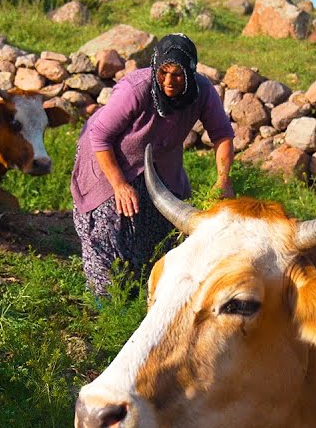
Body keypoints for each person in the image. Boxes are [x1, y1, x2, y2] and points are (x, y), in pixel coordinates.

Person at [71, 33, 235, 300]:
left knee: (164, 235)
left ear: (191, 72)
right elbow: (99, 136)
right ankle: (108, 310)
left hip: (159, 161)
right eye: (163, 73)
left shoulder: (202, 91)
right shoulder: (135, 89)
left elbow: (222, 136)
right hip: (108, 159)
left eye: (178, 75)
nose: (169, 82)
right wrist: (120, 185)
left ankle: (148, 298)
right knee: (109, 234)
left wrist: (223, 180)